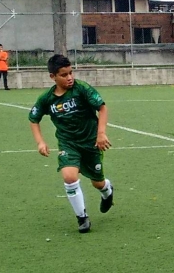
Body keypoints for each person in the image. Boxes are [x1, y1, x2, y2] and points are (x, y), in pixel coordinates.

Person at [28, 54, 115, 233]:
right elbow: (33, 118)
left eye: (71, 73)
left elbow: (102, 107)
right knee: (69, 177)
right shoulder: (47, 98)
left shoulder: (81, 88)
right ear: (53, 77)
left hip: (91, 143)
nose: (69, 78)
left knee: (97, 183)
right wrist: (40, 142)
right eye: (64, 75)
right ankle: (82, 218)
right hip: (68, 144)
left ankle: (107, 190)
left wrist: (101, 133)